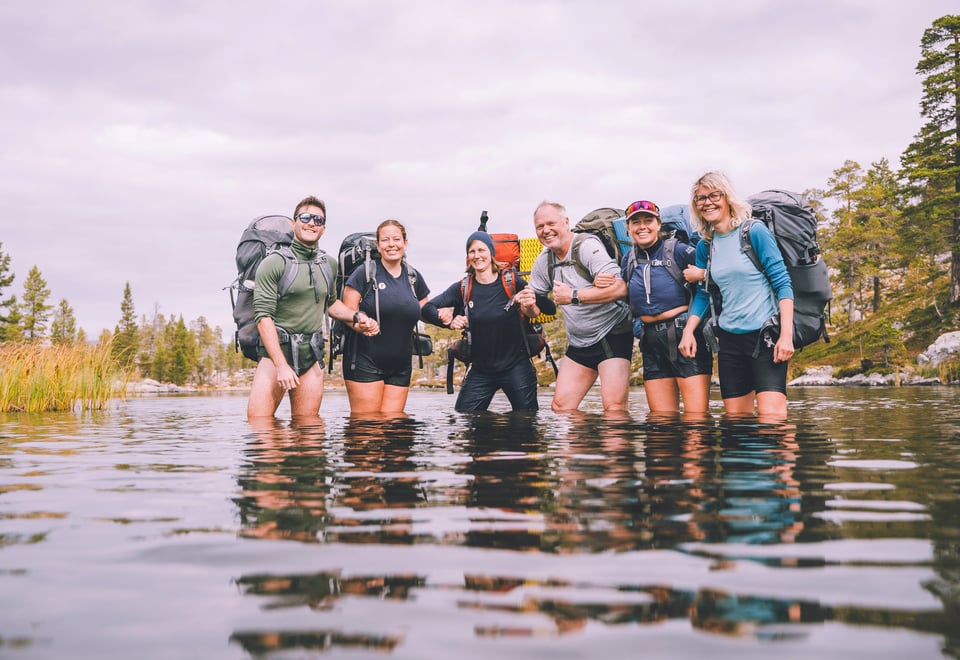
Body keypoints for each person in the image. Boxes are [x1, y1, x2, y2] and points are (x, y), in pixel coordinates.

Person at [248, 196, 378, 420]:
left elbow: (331, 305)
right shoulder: (273, 264)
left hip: (311, 355)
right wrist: (281, 365)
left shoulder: (328, 264)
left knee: (309, 432)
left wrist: (356, 316)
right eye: (305, 217)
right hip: (274, 357)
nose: (311, 223)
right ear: (293, 223)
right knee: (262, 430)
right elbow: (263, 317)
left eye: (318, 220)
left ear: (324, 228)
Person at [678, 172, 795, 419]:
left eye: (714, 195)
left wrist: (786, 336)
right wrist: (688, 331)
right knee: (737, 424)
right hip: (729, 341)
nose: (707, 202)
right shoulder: (705, 245)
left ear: (727, 198)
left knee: (773, 420)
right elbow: (702, 293)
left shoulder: (754, 232)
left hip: (765, 336)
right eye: (700, 199)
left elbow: (783, 283)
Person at [426, 231, 557, 412]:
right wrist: (447, 322)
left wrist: (532, 298)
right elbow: (427, 309)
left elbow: (550, 308)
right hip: (481, 371)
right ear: (468, 256)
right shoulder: (463, 287)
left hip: (516, 367)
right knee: (465, 418)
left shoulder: (511, 282)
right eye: (472, 251)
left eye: (482, 250)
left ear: (491, 253)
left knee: (525, 423)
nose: (477, 255)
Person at [527, 201, 633, 412]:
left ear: (566, 222)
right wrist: (528, 305)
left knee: (614, 408)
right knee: (561, 407)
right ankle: (591, 441)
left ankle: (614, 444)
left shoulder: (587, 247)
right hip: (579, 342)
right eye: (540, 227)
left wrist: (574, 296)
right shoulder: (543, 261)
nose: (546, 230)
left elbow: (622, 288)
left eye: (551, 223)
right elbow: (536, 308)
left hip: (612, 334)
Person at [621, 199, 712, 414]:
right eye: (635, 222)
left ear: (658, 224)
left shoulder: (678, 250)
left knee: (696, 421)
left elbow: (712, 278)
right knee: (661, 423)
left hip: (686, 337)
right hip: (650, 340)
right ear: (628, 228)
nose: (642, 226)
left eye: (648, 220)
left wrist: (704, 274)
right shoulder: (628, 260)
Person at [340, 219, 431, 414]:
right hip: (365, 361)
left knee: (395, 429)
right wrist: (362, 324)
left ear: (405, 243)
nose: (392, 244)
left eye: (397, 239)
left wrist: (448, 315)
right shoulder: (364, 274)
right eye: (385, 240)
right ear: (378, 245)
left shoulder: (413, 277)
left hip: (400, 365)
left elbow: (426, 311)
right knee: (368, 431)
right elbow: (347, 312)